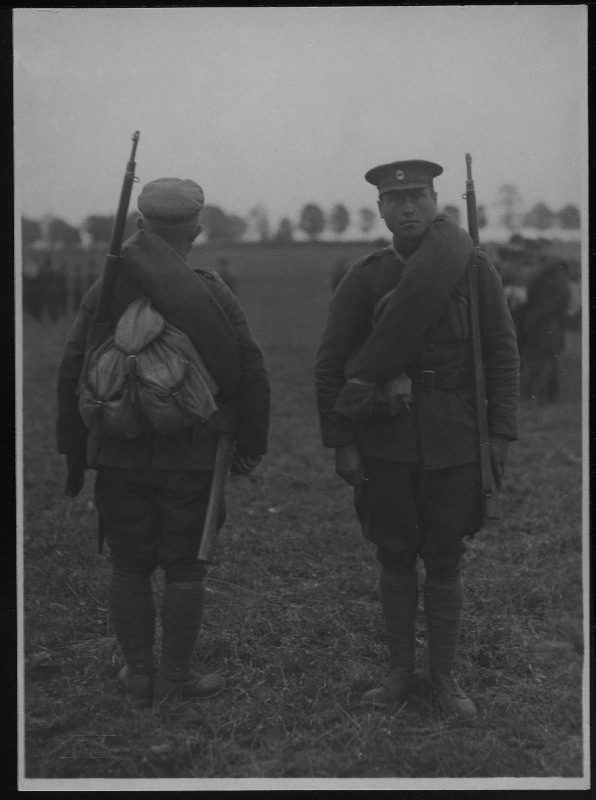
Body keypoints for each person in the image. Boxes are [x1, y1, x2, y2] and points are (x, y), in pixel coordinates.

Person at [315, 160, 519, 718]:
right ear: (379, 209)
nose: (407, 207)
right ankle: (401, 674)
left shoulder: (472, 268)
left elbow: (502, 354)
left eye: (417, 196)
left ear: (436, 202)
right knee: (395, 554)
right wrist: (343, 440)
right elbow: (332, 364)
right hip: (384, 439)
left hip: (457, 438)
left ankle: (446, 679)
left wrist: (500, 432)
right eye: (394, 199)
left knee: (447, 556)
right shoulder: (366, 277)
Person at [57, 178, 270, 706]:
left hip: (120, 451)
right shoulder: (212, 291)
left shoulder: (104, 290)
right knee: (185, 567)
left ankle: (138, 675)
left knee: (128, 564)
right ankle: (177, 678)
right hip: (195, 454)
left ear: (139, 228)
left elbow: (70, 370)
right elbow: (249, 369)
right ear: (194, 232)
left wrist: (76, 453)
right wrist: (251, 443)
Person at [520, 259, 571, 404]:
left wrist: (539, 312)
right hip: (550, 325)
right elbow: (564, 296)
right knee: (548, 360)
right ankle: (545, 396)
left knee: (540, 360)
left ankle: (538, 395)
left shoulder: (543, 277)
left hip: (543, 324)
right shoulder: (557, 277)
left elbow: (532, 296)